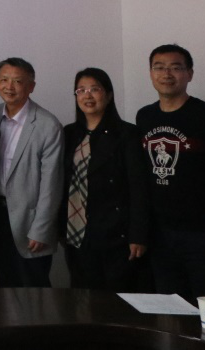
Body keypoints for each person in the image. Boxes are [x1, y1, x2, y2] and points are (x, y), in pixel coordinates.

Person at [136, 44, 205, 300]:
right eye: (159, 67)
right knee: (170, 304)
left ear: (189, 74)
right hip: (159, 232)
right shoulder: (145, 116)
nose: (167, 74)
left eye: (176, 67)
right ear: (151, 73)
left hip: (203, 231)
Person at [60, 67, 149, 291]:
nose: (87, 95)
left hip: (115, 232)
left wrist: (138, 235)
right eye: (81, 90)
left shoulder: (126, 134)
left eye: (95, 89)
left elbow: (138, 187)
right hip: (76, 231)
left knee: (115, 298)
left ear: (108, 95)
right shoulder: (69, 133)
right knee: (81, 296)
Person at [0, 57, 63, 288]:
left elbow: (52, 184)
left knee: (34, 289)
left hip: (30, 221)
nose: (9, 87)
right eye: (4, 80)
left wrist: (41, 229)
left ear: (31, 86)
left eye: (18, 81)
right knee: (6, 285)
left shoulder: (47, 124)